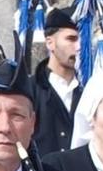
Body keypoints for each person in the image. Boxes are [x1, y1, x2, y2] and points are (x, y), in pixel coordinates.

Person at [29, 8, 86, 155]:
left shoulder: (90, 90)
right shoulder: (29, 89)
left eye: (82, 40)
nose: (79, 47)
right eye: (71, 39)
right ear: (50, 43)